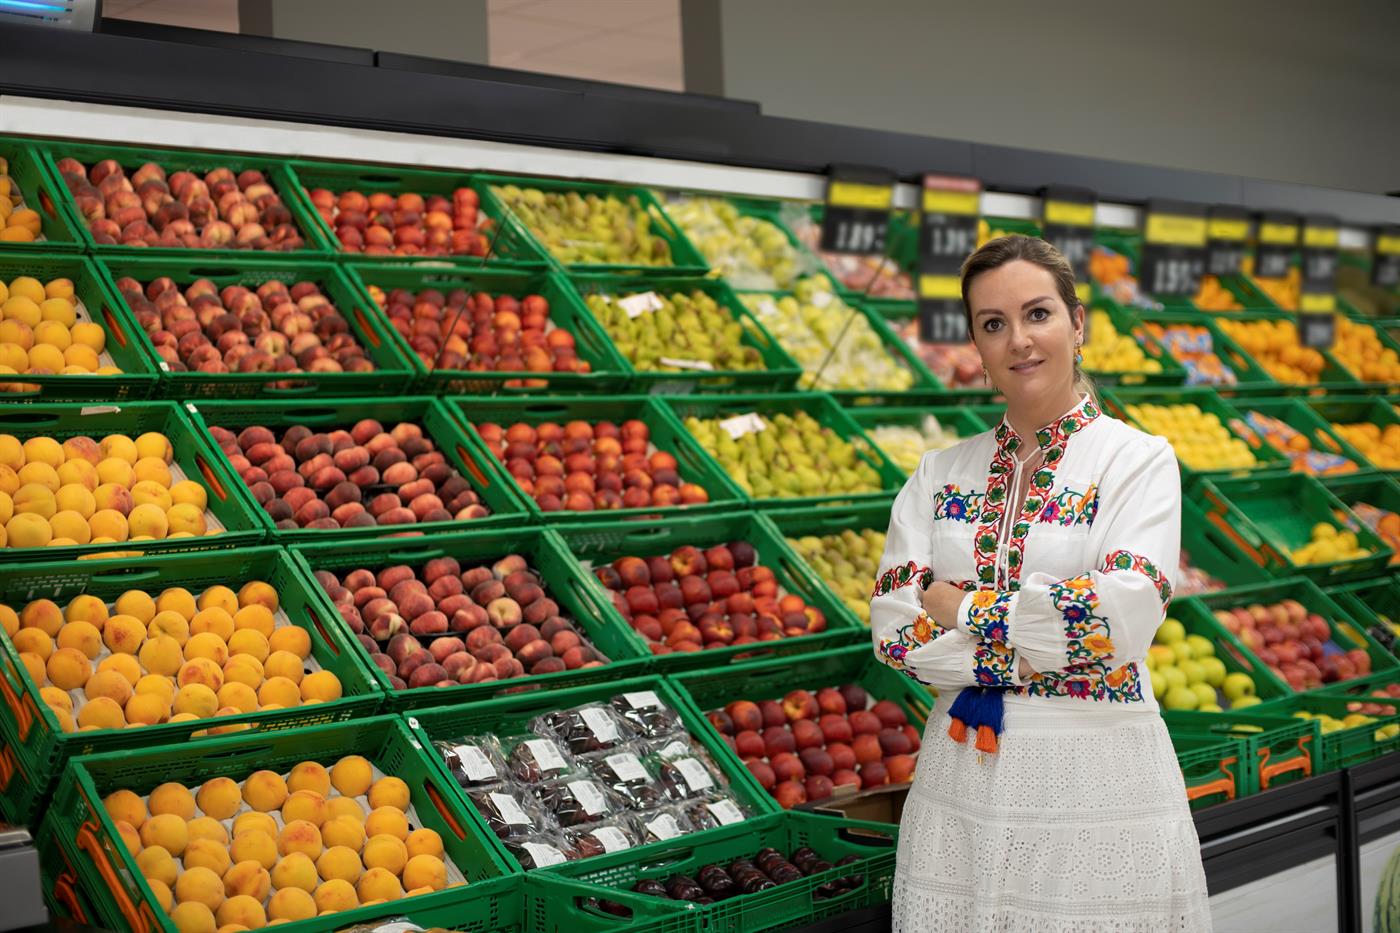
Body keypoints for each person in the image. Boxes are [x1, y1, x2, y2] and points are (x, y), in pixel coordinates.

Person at [870, 234, 1212, 932]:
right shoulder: (938, 474)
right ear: (975, 342)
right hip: (960, 789)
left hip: (1099, 788)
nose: (1019, 341)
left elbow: (1121, 615)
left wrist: (962, 605)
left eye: (1038, 314)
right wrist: (1035, 648)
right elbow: (896, 632)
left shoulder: (1137, 460)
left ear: (1077, 323)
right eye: (993, 324)